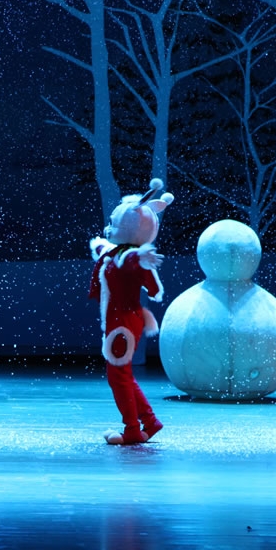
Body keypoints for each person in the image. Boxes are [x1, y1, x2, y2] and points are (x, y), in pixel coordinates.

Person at [88, 179, 173, 444]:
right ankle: (149, 422)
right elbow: (105, 250)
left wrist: (141, 257)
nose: (109, 229)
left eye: (115, 225)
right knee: (121, 375)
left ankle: (133, 430)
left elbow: (129, 261)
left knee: (118, 377)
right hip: (120, 321)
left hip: (124, 323)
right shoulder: (117, 252)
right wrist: (98, 244)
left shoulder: (129, 256)